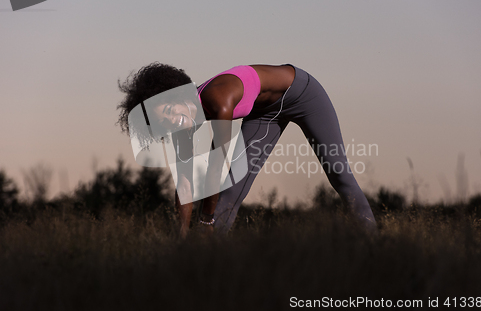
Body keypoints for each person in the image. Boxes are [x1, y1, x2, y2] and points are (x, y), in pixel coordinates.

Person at [117, 63, 377, 237]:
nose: (173, 120)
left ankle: (375, 247)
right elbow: (184, 184)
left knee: (339, 174)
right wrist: (181, 238)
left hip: (302, 93)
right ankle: (205, 266)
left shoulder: (219, 100)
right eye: (165, 121)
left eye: (171, 110)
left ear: (180, 97)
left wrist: (205, 222)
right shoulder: (182, 129)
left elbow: (217, 164)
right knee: (231, 191)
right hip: (265, 113)